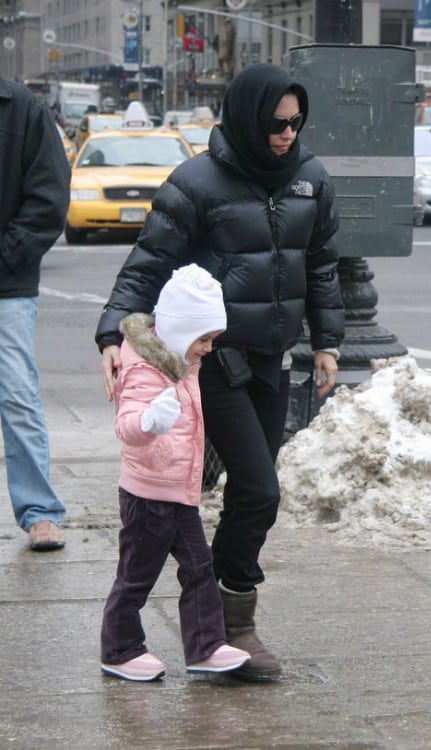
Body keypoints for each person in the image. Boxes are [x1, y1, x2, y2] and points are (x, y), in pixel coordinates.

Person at [96, 62, 345, 681]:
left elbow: (321, 265)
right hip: (214, 364)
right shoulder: (196, 183)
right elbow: (146, 265)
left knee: (247, 496)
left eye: (296, 122)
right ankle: (234, 625)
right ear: (246, 119)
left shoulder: (310, 179)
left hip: (273, 361)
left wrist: (327, 341)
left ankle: (215, 624)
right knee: (260, 489)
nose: (287, 134)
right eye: (274, 123)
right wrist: (111, 331)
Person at [101, 264, 250, 681]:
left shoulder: (180, 360)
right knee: (136, 576)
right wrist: (150, 420)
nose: (208, 348)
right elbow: (126, 425)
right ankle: (119, 649)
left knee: (200, 568)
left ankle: (204, 646)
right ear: (182, 331)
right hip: (148, 494)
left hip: (178, 492)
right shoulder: (147, 369)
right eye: (204, 338)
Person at [0, 76, 70, 551]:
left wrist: (4, 258)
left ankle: (40, 512)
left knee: (17, 395)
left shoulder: (22, 109)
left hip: (6, 284)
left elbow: (48, 201)